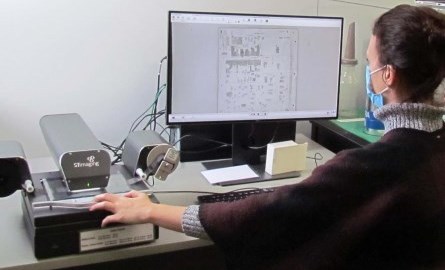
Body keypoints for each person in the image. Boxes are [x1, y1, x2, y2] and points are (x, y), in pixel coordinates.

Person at [90, 5, 445, 269]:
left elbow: (260, 218)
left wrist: (151, 211)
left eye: (369, 62)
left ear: (386, 77)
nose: (367, 71)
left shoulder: (372, 166)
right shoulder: (432, 147)